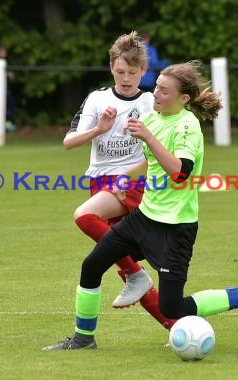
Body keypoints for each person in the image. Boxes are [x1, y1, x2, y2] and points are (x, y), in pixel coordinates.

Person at [43, 61, 238, 351]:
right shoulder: (153, 118)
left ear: (184, 98)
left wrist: (148, 136)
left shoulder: (188, 125)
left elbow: (180, 173)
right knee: (92, 266)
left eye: (164, 91)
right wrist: (123, 179)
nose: (156, 94)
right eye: (157, 87)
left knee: (173, 306)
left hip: (176, 227)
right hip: (144, 218)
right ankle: (83, 338)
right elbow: (147, 161)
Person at [63, 31, 177, 330]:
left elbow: (162, 151)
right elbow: (69, 142)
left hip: (133, 182)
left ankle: (136, 275)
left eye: (133, 72)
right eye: (120, 71)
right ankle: (177, 326)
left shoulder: (152, 103)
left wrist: (130, 174)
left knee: (84, 216)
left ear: (143, 71)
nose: (126, 78)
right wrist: (99, 129)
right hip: (100, 184)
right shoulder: (97, 99)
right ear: (112, 66)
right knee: (120, 263)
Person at [0, 44, 17, 132]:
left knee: (10, 106)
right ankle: (2, 124)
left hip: (5, 90)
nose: (5, 53)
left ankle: (7, 123)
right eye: (2, 51)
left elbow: (12, 76)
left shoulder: (5, 63)